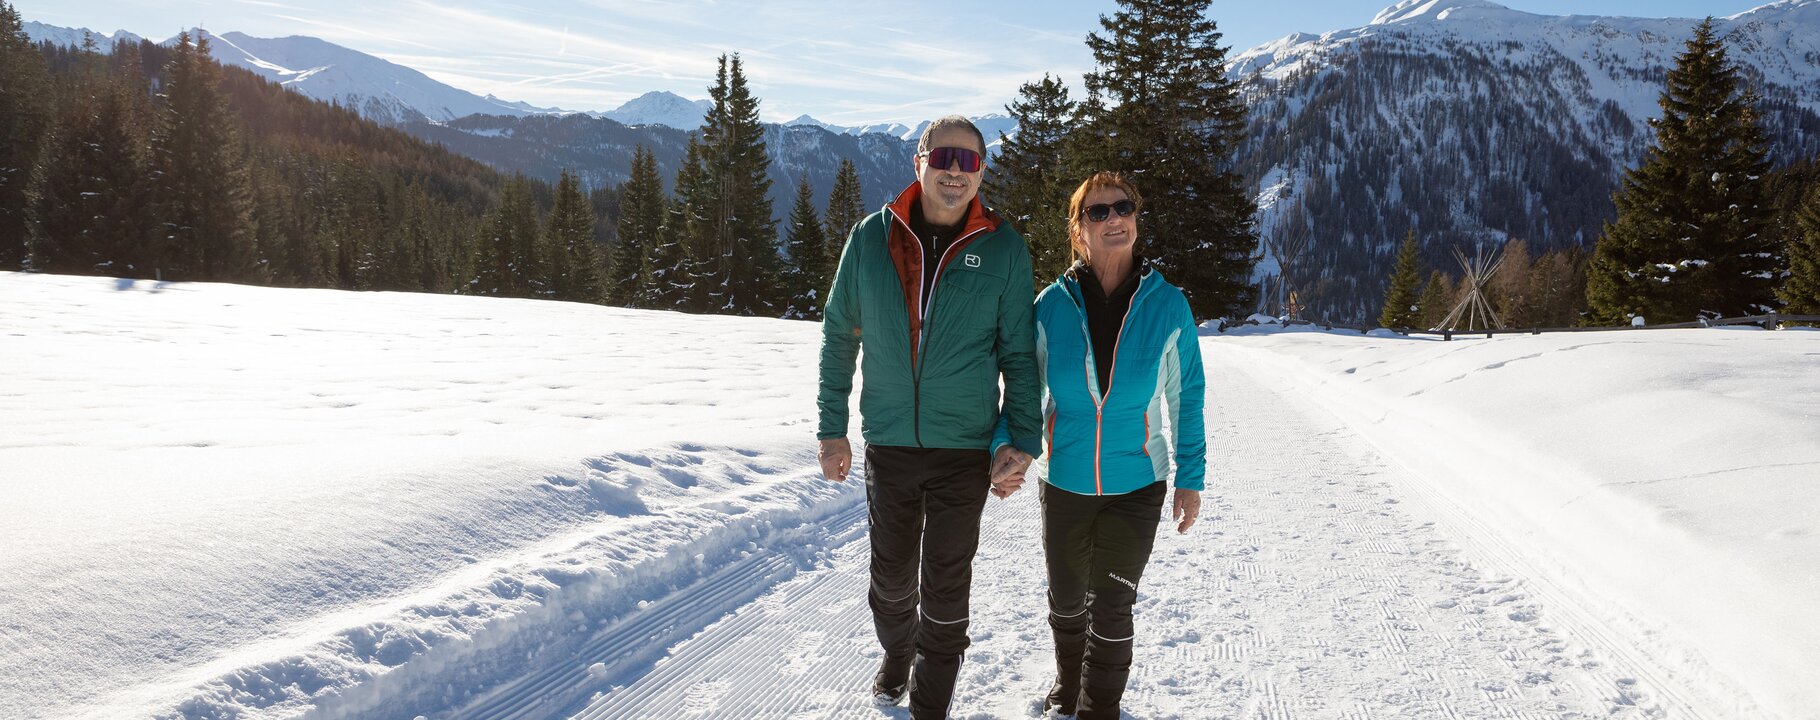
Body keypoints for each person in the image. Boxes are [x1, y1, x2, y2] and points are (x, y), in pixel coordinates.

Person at [816, 115, 1045, 719]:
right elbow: (840, 334)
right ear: (918, 160)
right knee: (891, 585)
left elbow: (1019, 352)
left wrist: (1020, 440)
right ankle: (898, 653)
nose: (955, 171)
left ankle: (929, 705)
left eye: (969, 161)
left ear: (981, 173)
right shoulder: (870, 238)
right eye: (944, 156)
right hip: (889, 443)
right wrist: (831, 427)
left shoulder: (1003, 247)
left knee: (946, 584)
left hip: (963, 449)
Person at [992, 171, 1206, 719]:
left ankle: (1098, 708)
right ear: (1077, 230)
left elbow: (1187, 398)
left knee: (1112, 604)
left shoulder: (1168, 306)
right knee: (1066, 600)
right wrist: (1008, 447)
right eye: (1098, 212)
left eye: (1123, 208)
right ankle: (1069, 683)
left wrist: (1190, 478)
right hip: (1064, 482)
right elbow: (1023, 389)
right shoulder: (1051, 307)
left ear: (1136, 219)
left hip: (1137, 484)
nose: (1113, 218)